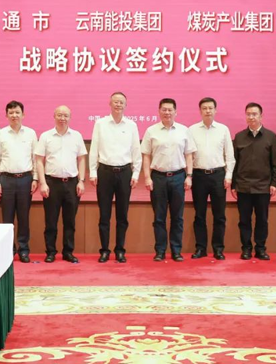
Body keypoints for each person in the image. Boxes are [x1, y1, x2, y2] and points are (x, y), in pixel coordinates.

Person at [141, 98, 197, 262]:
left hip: (179, 177)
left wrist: (189, 176)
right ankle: (160, 251)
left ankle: (176, 250)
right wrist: (147, 177)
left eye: (170, 110)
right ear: (159, 111)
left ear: (175, 112)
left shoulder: (184, 130)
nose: (167, 112)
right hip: (158, 177)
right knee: (159, 217)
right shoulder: (151, 131)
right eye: (164, 109)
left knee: (177, 217)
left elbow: (189, 155)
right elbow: (146, 156)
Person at [89, 92, 142, 263]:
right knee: (104, 215)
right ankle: (104, 250)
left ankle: (120, 250)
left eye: (121, 102)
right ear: (110, 104)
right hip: (105, 172)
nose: (118, 105)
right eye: (115, 102)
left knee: (122, 215)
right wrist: (92, 171)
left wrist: (136, 173)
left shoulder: (131, 125)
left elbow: (136, 150)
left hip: (125, 172)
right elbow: (94, 148)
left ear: (125, 105)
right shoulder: (100, 123)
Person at [35, 106, 87, 263]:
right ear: (54, 116)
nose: (62, 118)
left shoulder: (76, 136)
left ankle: (68, 251)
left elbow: (82, 159)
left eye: (65, 115)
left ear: (70, 117)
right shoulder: (46, 136)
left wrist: (81, 181)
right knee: (51, 221)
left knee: (70, 221)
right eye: (59, 115)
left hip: (72, 183)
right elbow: (39, 160)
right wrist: (42, 183)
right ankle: (51, 251)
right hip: (52, 183)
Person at [231, 102, 276, 260]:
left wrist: (274, 183)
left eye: (254, 114)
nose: (251, 117)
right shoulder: (239, 137)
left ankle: (260, 249)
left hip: (263, 186)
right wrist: (233, 185)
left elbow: (275, 163)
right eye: (248, 114)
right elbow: (234, 163)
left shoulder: (271, 137)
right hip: (243, 186)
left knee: (262, 220)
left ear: (261, 116)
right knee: (244, 220)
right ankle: (246, 249)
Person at [0, 101, 38, 263]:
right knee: (7, 218)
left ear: (23, 114)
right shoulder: (0, 134)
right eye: (11, 113)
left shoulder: (30, 133)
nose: (14, 115)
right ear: (6, 115)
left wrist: (35, 178)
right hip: (6, 180)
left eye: (17, 112)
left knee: (24, 217)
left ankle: (23, 249)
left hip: (25, 179)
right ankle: (9, 250)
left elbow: (35, 158)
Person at [188, 97, 235, 260]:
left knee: (219, 215)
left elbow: (230, 155)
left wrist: (229, 175)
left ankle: (218, 249)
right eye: (204, 108)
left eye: (210, 108)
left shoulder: (223, 129)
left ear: (215, 110)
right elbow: (189, 155)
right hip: (199, 175)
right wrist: (189, 175)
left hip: (218, 176)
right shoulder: (192, 130)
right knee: (199, 214)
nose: (208, 111)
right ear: (200, 111)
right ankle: (200, 248)